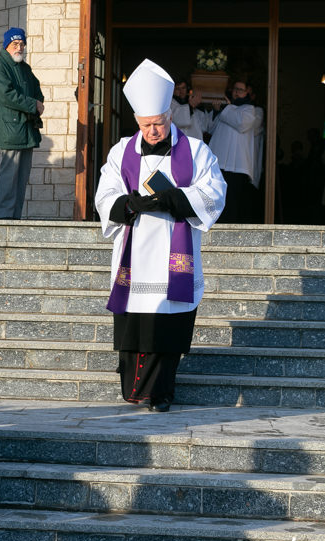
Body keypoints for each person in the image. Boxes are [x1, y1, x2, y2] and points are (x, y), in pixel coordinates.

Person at [94, 59, 226, 413]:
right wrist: (128, 203)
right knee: (134, 328)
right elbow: (104, 195)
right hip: (135, 254)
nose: (153, 131)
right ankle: (134, 390)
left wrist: (177, 198)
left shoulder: (197, 151)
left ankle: (162, 393)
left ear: (170, 115)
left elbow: (215, 192)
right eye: (146, 125)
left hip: (173, 257)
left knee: (167, 328)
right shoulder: (122, 152)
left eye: (159, 123)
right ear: (137, 122)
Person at [0, 27, 44, 219]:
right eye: (15, 44)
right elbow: (6, 96)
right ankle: (3, 221)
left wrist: (38, 102)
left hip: (26, 130)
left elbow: (37, 90)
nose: (19, 48)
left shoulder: (25, 68)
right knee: (9, 177)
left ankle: (15, 220)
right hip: (11, 130)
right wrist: (32, 104)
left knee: (21, 179)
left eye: (22, 44)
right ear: (7, 46)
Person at [208, 78, 264, 223]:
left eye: (240, 90)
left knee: (233, 204)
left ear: (247, 93)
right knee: (218, 201)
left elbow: (241, 123)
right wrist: (216, 111)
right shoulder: (228, 108)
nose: (236, 92)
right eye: (235, 89)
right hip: (220, 163)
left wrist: (226, 107)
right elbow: (211, 128)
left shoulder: (249, 110)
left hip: (237, 165)